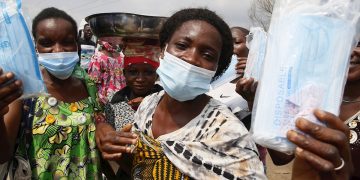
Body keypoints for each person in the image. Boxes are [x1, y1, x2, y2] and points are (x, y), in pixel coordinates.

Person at [95, 8, 351, 180]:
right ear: (163, 50)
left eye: (208, 55)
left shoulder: (228, 134)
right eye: (182, 46)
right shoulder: (150, 104)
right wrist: (109, 139)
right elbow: (142, 168)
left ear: (217, 69)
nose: (192, 59)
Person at [0, 7, 103, 179]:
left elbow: (98, 130)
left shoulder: (88, 84)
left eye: (67, 41)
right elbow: (3, 154)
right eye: (47, 43)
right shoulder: (25, 89)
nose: (58, 50)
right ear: (36, 46)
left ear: (76, 44)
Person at [105, 47, 162, 131]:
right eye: (133, 72)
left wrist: (150, 104)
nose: (140, 79)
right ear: (124, 74)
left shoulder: (167, 103)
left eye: (148, 72)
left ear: (156, 76)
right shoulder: (113, 102)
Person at [340, 41, 360, 179]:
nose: (351, 51)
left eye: (359, 44)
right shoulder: (316, 100)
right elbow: (282, 158)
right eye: (345, 40)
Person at [88, 36, 126, 105]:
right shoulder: (122, 57)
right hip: (119, 97)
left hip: (107, 99)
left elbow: (93, 82)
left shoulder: (98, 58)